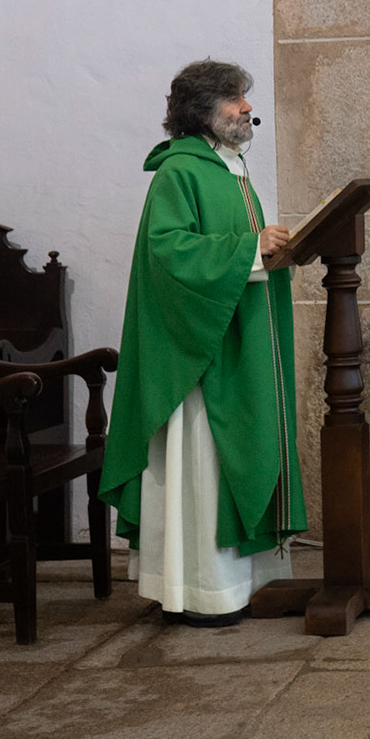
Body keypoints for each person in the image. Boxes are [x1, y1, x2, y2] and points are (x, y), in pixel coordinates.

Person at [99, 60, 306, 626]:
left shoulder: (230, 168)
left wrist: (267, 246)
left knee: (233, 455)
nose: (246, 107)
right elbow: (169, 252)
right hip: (198, 356)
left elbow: (237, 244)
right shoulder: (180, 171)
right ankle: (202, 590)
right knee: (202, 465)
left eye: (243, 97)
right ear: (201, 110)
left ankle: (245, 583)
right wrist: (251, 248)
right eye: (234, 98)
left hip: (238, 337)